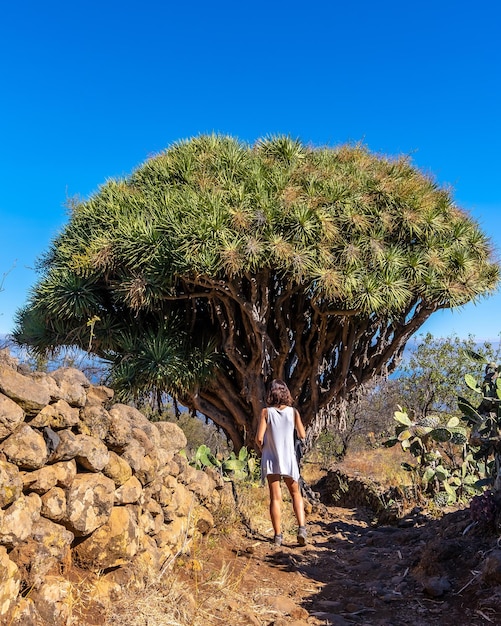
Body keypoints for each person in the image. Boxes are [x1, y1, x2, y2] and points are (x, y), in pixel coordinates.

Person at [255, 379, 307, 546]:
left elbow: (259, 438)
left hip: (271, 459)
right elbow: (302, 434)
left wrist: (265, 449)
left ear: (271, 394)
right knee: (295, 493)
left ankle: (278, 537)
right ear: (286, 393)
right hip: (289, 458)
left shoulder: (266, 412)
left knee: (275, 498)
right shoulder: (293, 412)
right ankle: (302, 529)